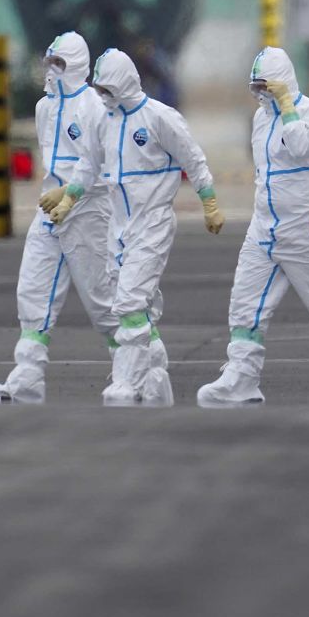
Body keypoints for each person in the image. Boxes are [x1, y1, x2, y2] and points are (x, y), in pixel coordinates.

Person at [196, 48, 309, 406]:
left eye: (266, 86)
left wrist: (287, 104)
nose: (260, 93)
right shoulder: (260, 120)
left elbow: (302, 145)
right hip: (264, 229)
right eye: (255, 86)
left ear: (283, 83)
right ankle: (241, 377)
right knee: (244, 305)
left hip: (306, 231)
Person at [0, 31, 118, 404]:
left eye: (58, 64)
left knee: (102, 298)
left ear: (74, 66)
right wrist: (54, 196)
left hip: (89, 211)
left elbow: (102, 164)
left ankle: (135, 371)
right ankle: (26, 378)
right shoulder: (45, 108)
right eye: (48, 63)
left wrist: (71, 192)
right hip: (50, 213)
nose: (51, 71)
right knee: (33, 290)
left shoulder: (95, 106)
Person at [89, 48, 225, 406]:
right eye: (98, 89)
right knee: (134, 302)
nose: (102, 95)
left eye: (107, 87)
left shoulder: (160, 118)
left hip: (152, 223)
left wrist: (209, 201)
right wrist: (69, 196)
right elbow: (90, 162)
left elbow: (192, 158)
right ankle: (155, 378)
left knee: (130, 303)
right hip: (117, 225)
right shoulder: (107, 120)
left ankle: (126, 381)